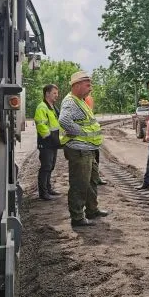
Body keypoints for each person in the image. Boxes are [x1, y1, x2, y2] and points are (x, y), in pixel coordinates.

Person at [59, 71, 109, 227]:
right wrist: (81, 133)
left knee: (91, 181)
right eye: (88, 85)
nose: (90, 88)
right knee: (80, 183)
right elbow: (64, 121)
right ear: (76, 85)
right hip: (79, 150)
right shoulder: (70, 102)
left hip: (87, 149)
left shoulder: (80, 100)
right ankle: (78, 217)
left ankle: (92, 210)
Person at [34, 84, 62, 200]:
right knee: (46, 167)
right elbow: (41, 125)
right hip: (46, 143)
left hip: (53, 143)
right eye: (54, 93)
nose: (57, 95)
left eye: (57, 93)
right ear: (47, 93)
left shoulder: (53, 107)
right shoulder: (42, 107)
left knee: (51, 166)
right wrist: (50, 137)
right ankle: (43, 193)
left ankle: (48, 189)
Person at [85, 94, 108, 186]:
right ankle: (90, 179)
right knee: (88, 161)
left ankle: (96, 178)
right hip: (86, 140)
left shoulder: (89, 97)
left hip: (94, 140)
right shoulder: (78, 99)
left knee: (96, 159)